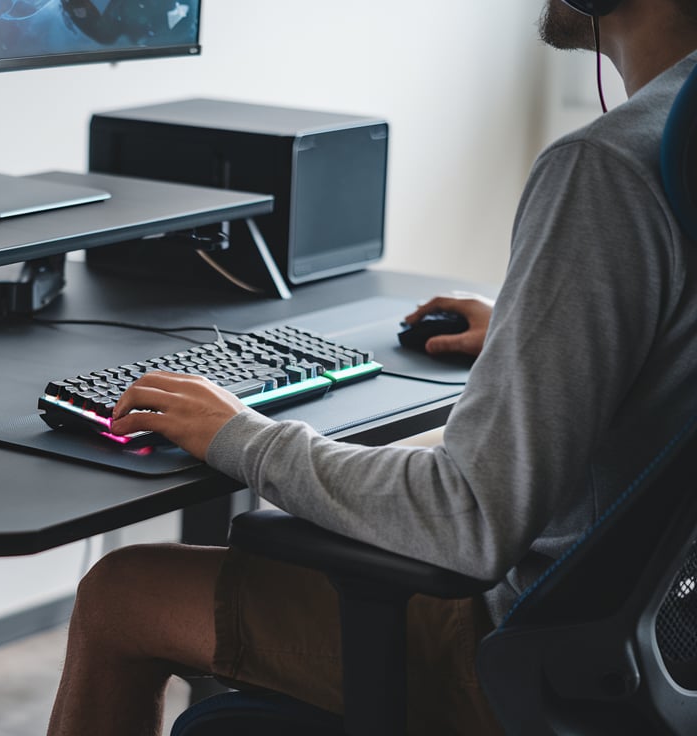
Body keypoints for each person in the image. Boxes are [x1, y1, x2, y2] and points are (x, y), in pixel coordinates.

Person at [46, 1, 697, 734]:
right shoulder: (677, 143)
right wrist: (541, 336)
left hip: (533, 656)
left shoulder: (606, 167)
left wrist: (242, 436)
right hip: (667, 641)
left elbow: (469, 516)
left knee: (121, 592)